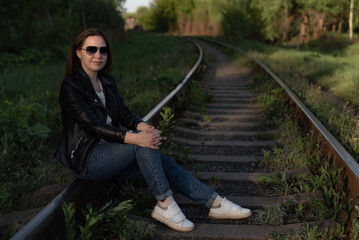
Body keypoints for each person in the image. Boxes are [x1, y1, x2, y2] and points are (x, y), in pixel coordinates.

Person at [55, 28, 251, 232]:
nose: (98, 55)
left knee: (164, 161)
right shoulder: (71, 87)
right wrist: (135, 138)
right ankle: (165, 203)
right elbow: (93, 126)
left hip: (110, 152)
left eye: (103, 50)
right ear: (78, 53)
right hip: (88, 158)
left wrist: (144, 127)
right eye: (91, 50)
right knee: (141, 144)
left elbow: (123, 113)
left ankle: (214, 203)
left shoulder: (107, 81)